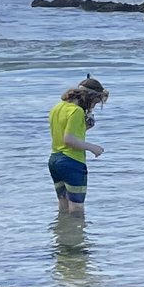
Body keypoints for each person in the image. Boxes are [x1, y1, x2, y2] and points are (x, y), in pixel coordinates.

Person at [49, 76, 107, 216]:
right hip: (72, 161)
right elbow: (69, 140)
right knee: (76, 208)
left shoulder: (58, 107)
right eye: (96, 102)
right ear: (90, 97)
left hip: (55, 160)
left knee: (63, 204)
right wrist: (92, 147)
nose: (93, 106)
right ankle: (76, 235)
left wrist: (85, 127)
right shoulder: (76, 111)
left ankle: (63, 233)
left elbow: (64, 134)